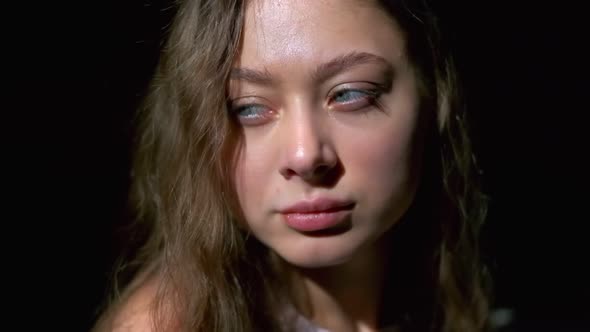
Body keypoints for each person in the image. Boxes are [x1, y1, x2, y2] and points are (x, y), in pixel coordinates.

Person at [92, 0, 490, 331]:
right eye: (247, 108)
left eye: (350, 94)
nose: (305, 156)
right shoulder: (170, 324)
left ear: (435, 94)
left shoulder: (453, 296)